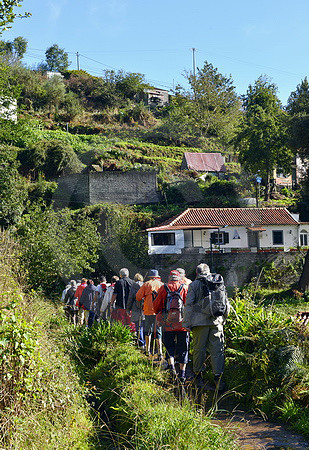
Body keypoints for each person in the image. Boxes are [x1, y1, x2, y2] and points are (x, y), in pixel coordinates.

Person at [183, 263, 230, 391]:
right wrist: (223, 319)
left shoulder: (193, 285)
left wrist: (187, 323)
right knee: (217, 352)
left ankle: (198, 377)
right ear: (209, 272)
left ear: (197, 273)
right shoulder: (218, 282)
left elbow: (189, 305)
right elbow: (226, 302)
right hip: (216, 322)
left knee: (199, 350)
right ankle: (218, 379)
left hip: (199, 324)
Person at [153, 270, 189, 382]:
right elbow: (188, 305)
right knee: (183, 347)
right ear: (179, 278)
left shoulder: (164, 288)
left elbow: (156, 306)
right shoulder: (184, 288)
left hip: (167, 324)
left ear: (169, 278)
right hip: (182, 324)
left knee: (169, 345)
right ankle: (182, 373)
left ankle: (172, 367)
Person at [136, 269, 163, 359]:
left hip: (148, 311)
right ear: (157, 276)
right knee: (158, 331)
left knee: (148, 331)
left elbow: (138, 297)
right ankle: (160, 352)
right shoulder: (161, 284)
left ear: (150, 277)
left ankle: (147, 350)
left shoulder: (146, 284)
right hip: (159, 311)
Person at [127, 273, 145, 348]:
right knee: (143, 326)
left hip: (135, 308)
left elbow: (130, 298)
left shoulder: (133, 286)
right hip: (144, 308)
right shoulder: (145, 285)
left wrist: (128, 309)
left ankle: (140, 343)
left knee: (138, 326)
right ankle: (144, 343)